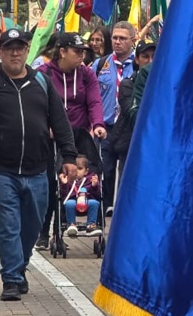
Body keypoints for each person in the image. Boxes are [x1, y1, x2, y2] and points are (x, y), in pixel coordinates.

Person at [0, 28, 79, 301]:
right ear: (0, 52)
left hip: (39, 169)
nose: (15, 53)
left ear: (27, 51)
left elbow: (60, 122)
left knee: (33, 225)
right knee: (8, 224)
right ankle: (12, 279)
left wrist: (69, 157)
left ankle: (19, 265)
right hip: (0, 170)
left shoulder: (42, 82)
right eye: (9, 48)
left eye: (20, 48)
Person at [35, 32, 106, 249]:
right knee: (50, 181)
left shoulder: (86, 74)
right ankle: (45, 230)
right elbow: (36, 105)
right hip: (52, 135)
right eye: (76, 51)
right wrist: (44, 126)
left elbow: (94, 101)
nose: (81, 56)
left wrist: (98, 124)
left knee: (81, 176)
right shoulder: (43, 73)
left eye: (83, 52)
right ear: (62, 51)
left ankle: (70, 223)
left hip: (79, 133)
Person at [92, 21, 137, 215]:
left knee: (126, 171)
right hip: (106, 128)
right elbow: (91, 96)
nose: (117, 42)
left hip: (129, 129)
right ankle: (106, 209)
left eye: (122, 38)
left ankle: (124, 211)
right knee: (106, 170)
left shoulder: (139, 64)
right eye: (115, 38)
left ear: (133, 40)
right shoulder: (101, 64)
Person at [111, 39, 156, 182]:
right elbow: (134, 116)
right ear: (136, 59)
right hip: (130, 147)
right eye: (145, 56)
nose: (150, 61)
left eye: (154, 56)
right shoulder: (127, 84)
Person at [59, 156, 102, 237]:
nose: (76, 171)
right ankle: (71, 224)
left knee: (94, 202)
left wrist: (94, 186)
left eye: (80, 168)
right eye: (74, 168)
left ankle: (91, 225)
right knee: (69, 203)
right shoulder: (69, 179)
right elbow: (64, 195)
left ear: (86, 171)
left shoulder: (90, 180)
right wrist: (64, 184)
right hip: (74, 203)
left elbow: (97, 195)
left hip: (87, 202)